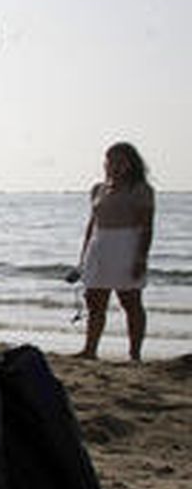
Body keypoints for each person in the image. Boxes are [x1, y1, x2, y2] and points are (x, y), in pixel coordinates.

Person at [74, 142, 154, 361]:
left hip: (126, 246)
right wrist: (82, 258)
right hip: (99, 247)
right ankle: (90, 350)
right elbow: (92, 225)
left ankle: (134, 354)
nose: (114, 166)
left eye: (120, 161)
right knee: (94, 300)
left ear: (131, 164)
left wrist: (141, 258)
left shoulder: (141, 189)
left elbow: (147, 227)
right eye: (110, 161)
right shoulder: (98, 189)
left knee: (130, 301)